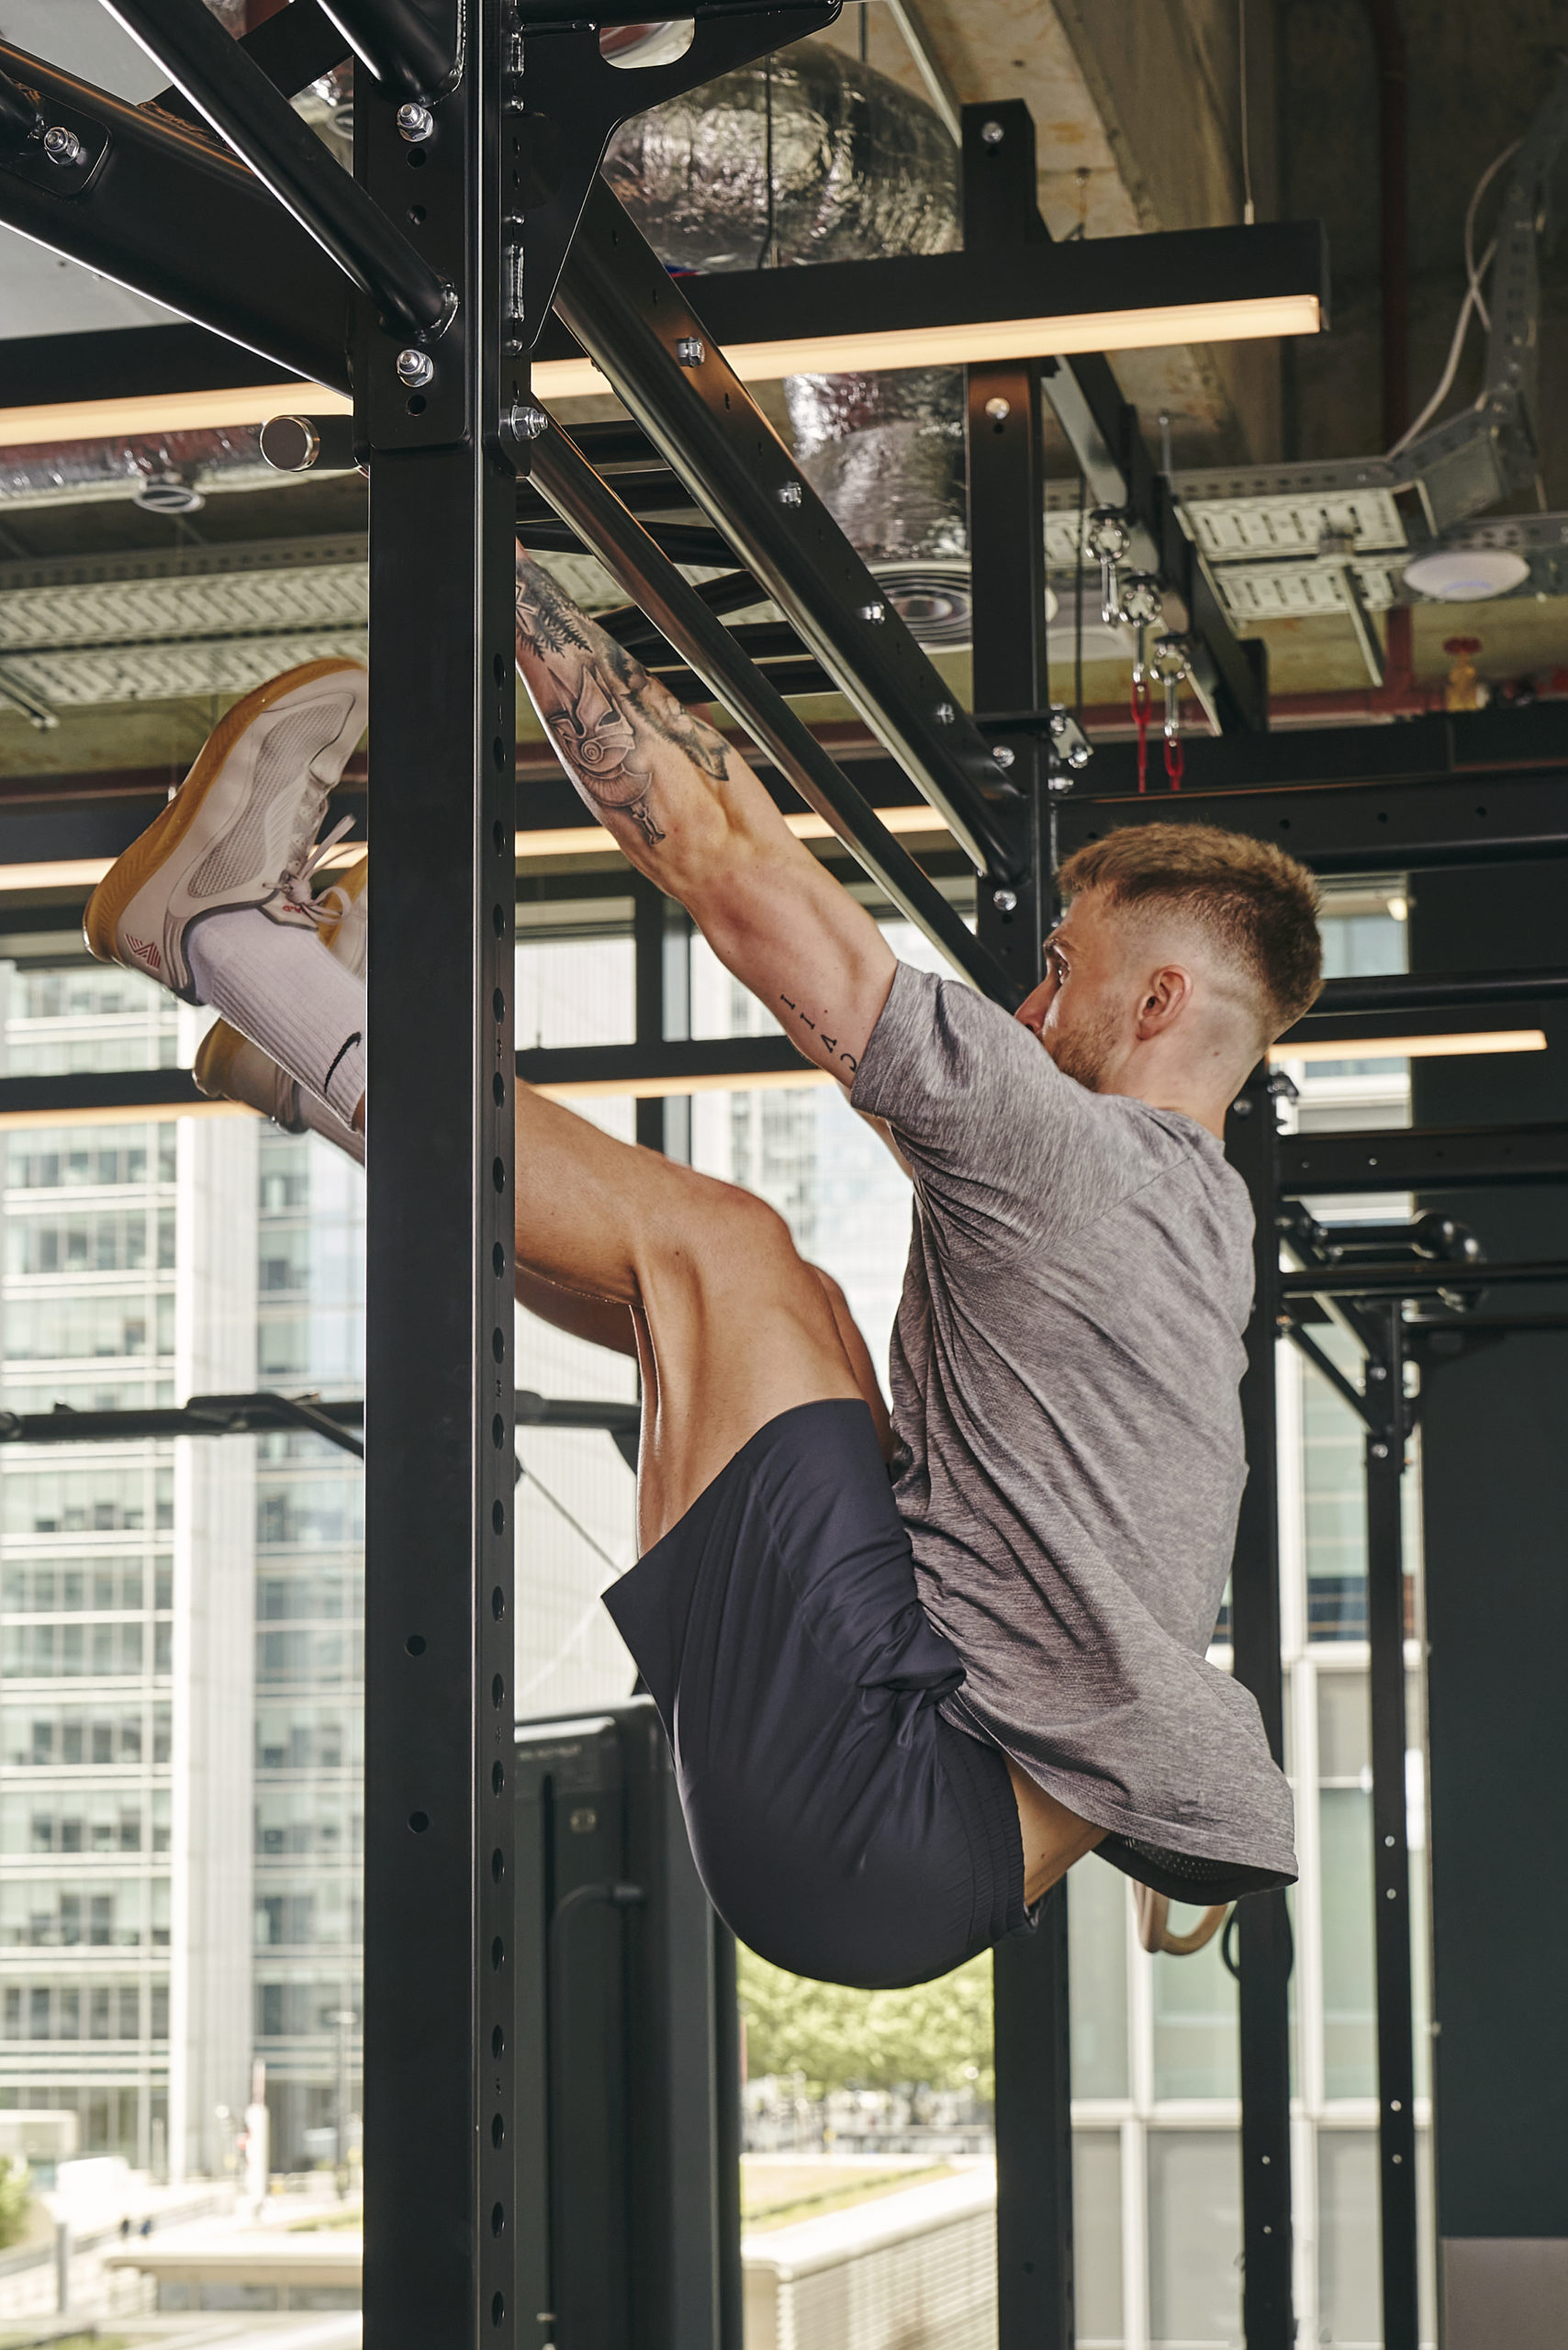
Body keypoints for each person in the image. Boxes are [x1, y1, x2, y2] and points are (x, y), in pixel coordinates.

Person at [83, 554, 1323, 1991]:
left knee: (723, 1248)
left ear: (1159, 1000)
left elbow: (733, 868)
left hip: (889, 1801)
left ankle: (225, 943)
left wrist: (489, 550)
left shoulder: (1082, 1162)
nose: (1029, 1004)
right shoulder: (1202, 1224)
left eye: (1059, 967)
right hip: (908, 1831)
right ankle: (318, 1060)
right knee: (724, 1308)